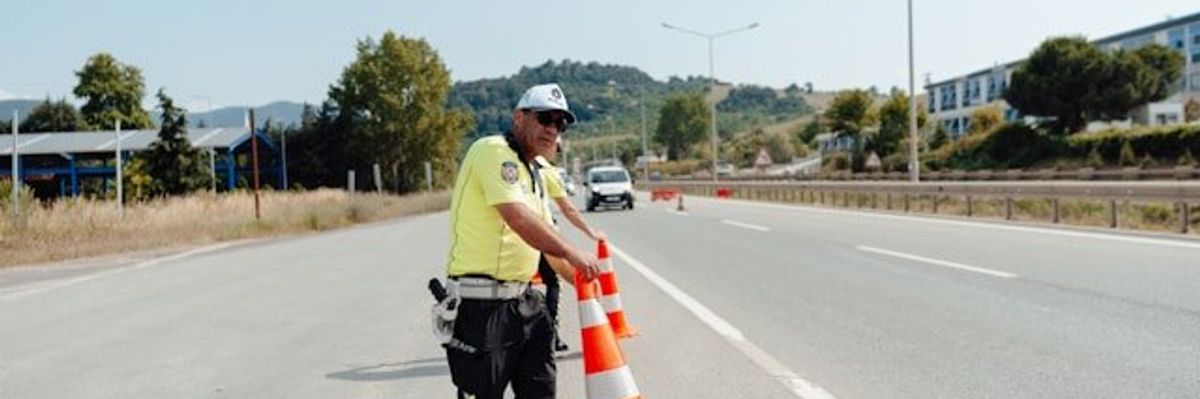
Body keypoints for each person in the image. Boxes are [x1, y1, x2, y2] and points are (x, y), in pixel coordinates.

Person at [442, 83, 600, 399]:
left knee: (541, 391)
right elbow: (517, 218)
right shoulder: (493, 150)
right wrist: (572, 251)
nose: (553, 129)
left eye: (560, 123)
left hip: (525, 302)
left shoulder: (535, 172)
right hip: (482, 306)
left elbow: (544, 238)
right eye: (545, 118)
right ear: (519, 117)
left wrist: (583, 285)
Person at [534, 140, 607, 352]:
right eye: (556, 148)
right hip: (543, 236)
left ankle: (537, 338)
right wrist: (591, 232)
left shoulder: (521, 163)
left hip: (517, 238)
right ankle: (550, 336)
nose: (556, 152)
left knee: (520, 287)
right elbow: (569, 210)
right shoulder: (547, 171)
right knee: (556, 282)